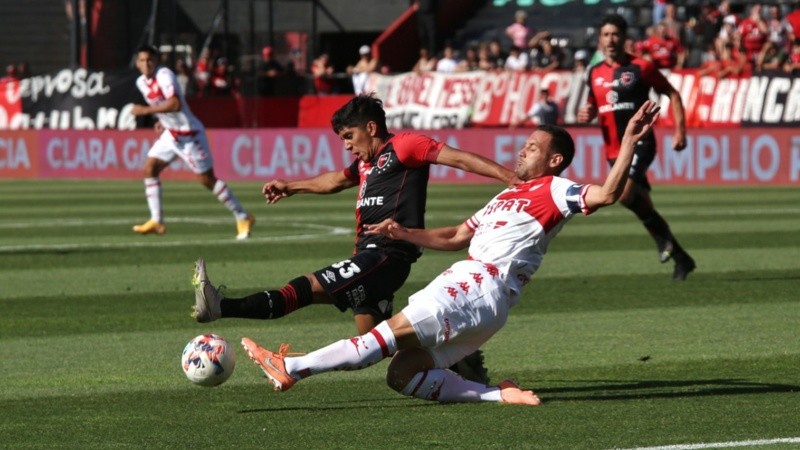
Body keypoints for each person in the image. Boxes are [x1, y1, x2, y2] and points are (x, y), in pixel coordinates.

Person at [239, 100, 663, 405]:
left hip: (479, 284)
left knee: (381, 339)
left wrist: (627, 140)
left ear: (554, 160)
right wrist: (403, 232)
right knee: (401, 374)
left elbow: (607, 194)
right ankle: (497, 394)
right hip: (482, 297)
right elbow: (456, 236)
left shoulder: (555, 189)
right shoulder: (504, 197)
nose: (523, 150)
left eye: (533, 148)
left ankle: (292, 368)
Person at [193, 93, 516, 382]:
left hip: (387, 255)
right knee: (377, 341)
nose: (347, 145)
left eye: (349, 136)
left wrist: (508, 177)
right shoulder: (365, 163)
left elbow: (458, 158)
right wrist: (291, 186)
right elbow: (334, 180)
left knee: (305, 289)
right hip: (368, 256)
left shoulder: (405, 146)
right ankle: (459, 360)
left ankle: (221, 306)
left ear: (371, 128)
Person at [577, 14, 695, 281]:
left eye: (615, 34)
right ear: (600, 40)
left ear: (624, 37)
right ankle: (680, 257)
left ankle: (665, 243)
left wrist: (680, 130)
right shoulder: (593, 73)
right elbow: (593, 104)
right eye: (606, 35)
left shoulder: (641, 67)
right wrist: (587, 112)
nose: (610, 40)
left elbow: (672, 93)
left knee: (623, 194)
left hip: (641, 142)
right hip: (613, 151)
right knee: (640, 204)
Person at [130, 45, 255, 239]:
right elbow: (162, 105)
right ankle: (156, 221)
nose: (146, 64)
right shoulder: (141, 82)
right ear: (137, 63)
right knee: (149, 168)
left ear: (156, 61)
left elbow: (175, 103)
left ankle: (243, 216)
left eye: (150, 60)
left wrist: (145, 111)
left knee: (207, 180)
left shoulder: (164, 75)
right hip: (171, 133)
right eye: (142, 60)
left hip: (189, 134)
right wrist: (162, 120)